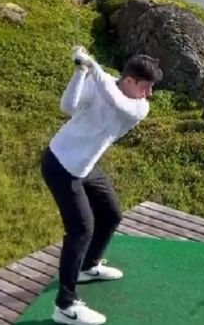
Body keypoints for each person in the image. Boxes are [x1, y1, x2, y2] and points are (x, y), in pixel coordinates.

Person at [42, 47, 161, 325]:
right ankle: (65, 305)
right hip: (60, 165)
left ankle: (88, 265)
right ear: (130, 80)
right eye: (146, 87)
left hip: (85, 165)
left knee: (111, 215)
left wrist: (93, 67)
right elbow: (68, 107)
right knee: (80, 230)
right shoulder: (100, 82)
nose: (149, 94)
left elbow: (116, 102)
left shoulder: (138, 107)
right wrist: (80, 72)